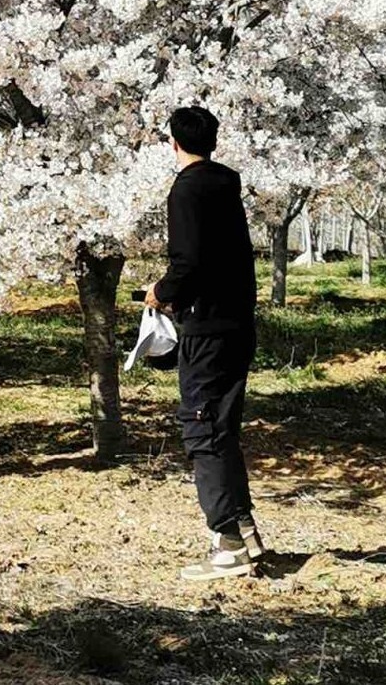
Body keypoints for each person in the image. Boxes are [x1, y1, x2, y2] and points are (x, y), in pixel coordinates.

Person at [145, 105, 265, 581]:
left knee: (202, 429)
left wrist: (161, 292)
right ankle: (243, 528)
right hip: (237, 324)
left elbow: (188, 263)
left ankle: (228, 544)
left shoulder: (187, 189)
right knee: (222, 428)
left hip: (207, 328)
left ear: (173, 143)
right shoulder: (225, 185)